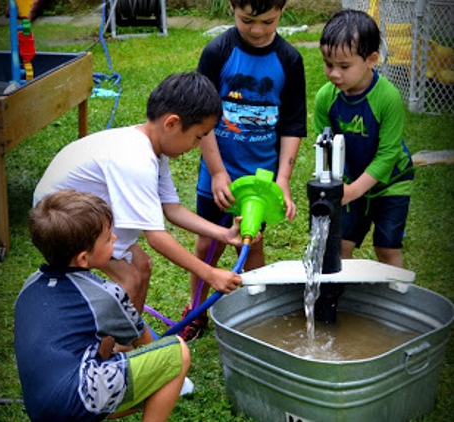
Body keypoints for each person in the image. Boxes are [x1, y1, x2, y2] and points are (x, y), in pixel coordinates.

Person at [33, 72, 244, 316]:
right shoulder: (136, 160)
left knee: (142, 266)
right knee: (130, 278)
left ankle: (130, 342)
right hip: (58, 221)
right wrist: (210, 273)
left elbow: (172, 208)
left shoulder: (153, 147)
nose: (197, 146)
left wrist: (224, 234)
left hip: (78, 211)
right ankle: (112, 351)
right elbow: (156, 237)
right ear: (171, 123)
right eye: (197, 137)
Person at [180, 0, 307, 342]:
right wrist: (218, 172)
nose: (257, 30)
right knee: (207, 242)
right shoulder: (217, 52)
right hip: (217, 174)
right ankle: (196, 310)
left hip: (261, 181)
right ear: (232, 7)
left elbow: (293, 125)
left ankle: (257, 315)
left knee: (253, 245)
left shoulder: (290, 60)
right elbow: (200, 117)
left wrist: (282, 181)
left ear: (282, 10)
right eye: (247, 19)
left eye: (268, 21)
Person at [15, 189, 191, 422]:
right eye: (108, 238)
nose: (115, 239)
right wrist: (171, 373)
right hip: (78, 397)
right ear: (83, 259)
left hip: (39, 406)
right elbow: (146, 342)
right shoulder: (104, 294)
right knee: (177, 354)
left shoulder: (29, 287)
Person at [313, 9, 414, 322]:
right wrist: (335, 187)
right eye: (328, 64)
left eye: (344, 66)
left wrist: (354, 190)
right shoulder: (325, 98)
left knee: (387, 247)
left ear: (371, 60)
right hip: (349, 182)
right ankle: (336, 302)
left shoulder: (388, 98)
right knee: (341, 244)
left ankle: (400, 309)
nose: (334, 74)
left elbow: (387, 155)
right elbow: (324, 148)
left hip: (391, 183)